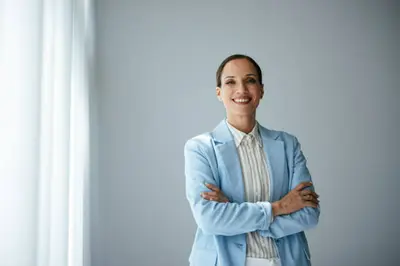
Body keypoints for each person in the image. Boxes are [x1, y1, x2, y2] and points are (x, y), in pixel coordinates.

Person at [184, 54, 320, 266]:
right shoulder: (200, 148)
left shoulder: (288, 145)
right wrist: (279, 207)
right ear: (219, 93)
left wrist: (234, 210)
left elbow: (309, 213)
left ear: (261, 90)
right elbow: (209, 220)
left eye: (250, 80)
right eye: (230, 82)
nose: (241, 90)